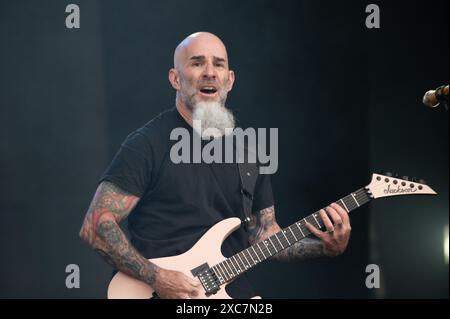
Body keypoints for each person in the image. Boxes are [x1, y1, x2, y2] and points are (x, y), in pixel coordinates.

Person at [79, 32, 352, 299]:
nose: (210, 72)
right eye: (197, 63)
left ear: (229, 80)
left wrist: (323, 248)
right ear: (175, 78)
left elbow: (263, 232)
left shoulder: (248, 151)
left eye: (218, 64)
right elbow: (96, 226)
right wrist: (158, 277)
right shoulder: (147, 144)